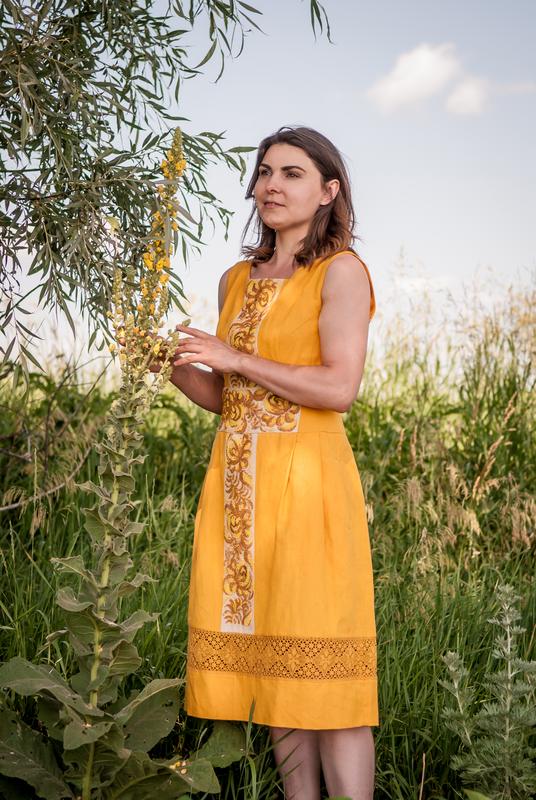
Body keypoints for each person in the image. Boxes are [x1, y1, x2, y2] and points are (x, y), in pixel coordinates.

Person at [161, 125, 378, 800]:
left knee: (330, 679)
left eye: (291, 173)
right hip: (238, 491)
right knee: (278, 672)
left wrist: (234, 357)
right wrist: (172, 366)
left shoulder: (340, 272)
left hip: (311, 489)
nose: (271, 185)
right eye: (263, 172)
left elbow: (338, 388)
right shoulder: (235, 279)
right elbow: (229, 400)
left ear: (328, 192)